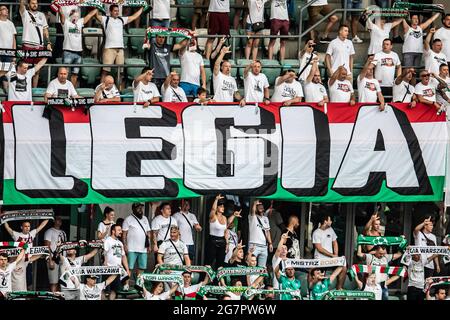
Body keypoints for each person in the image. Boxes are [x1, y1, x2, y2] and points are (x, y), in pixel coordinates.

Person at [95, 5, 143, 86]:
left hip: (120, 49)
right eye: (115, 11)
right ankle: (101, 90)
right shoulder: (105, 19)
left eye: (118, 11)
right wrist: (96, 5)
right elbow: (96, 16)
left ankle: (119, 91)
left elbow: (133, 17)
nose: (117, 12)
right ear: (110, 11)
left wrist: (142, 9)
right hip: (109, 49)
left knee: (120, 72)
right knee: (105, 71)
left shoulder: (121, 19)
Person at [59, 7, 98, 86]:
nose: (76, 18)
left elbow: (90, 15)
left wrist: (97, 6)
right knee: (64, 73)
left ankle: (72, 90)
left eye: (77, 16)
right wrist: (60, 8)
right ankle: (63, 89)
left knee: (75, 74)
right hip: (68, 51)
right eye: (74, 16)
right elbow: (62, 16)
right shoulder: (66, 23)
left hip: (78, 52)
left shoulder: (80, 22)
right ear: (70, 16)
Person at [19, 0, 51, 88]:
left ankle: (34, 90)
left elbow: (45, 30)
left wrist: (48, 42)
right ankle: (25, 88)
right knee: (25, 68)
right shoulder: (25, 13)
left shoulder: (42, 15)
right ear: (28, 4)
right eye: (32, 3)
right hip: (27, 45)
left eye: (36, 3)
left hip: (39, 45)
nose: (35, 5)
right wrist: (22, 2)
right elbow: (21, 4)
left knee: (37, 70)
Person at [311, 213, 347, 290]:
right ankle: (312, 291)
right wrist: (332, 255)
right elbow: (319, 248)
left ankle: (339, 288)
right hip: (320, 260)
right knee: (315, 272)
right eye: (330, 220)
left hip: (331, 260)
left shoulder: (331, 230)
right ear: (325, 221)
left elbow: (335, 242)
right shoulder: (316, 232)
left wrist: (336, 255)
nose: (331, 222)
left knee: (343, 267)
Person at [122, 203, 151, 280]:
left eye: (141, 207)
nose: (140, 209)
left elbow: (148, 232)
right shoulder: (128, 219)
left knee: (142, 267)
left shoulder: (145, 219)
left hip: (143, 248)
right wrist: (125, 245)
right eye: (138, 208)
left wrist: (149, 245)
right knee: (129, 267)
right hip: (131, 248)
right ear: (133, 209)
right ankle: (126, 285)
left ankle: (139, 285)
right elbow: (124, 234)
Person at [103, 224, 131, 300]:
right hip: (109, 270)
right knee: (106, 291)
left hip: (118, 270)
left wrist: (127, 269)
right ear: (113, 231)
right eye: (119, 230)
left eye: (121, 230)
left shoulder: (120, 243)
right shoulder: (108, 240)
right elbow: (104, 253)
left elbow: (124, 256)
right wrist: (105, 265)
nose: (121, 232)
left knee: (114, 290)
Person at [44, 216, 67, 293]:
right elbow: (47, 246)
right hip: (53, 259)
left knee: (63, 281)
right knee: (54, 282)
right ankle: (53, 297)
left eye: (61, 220)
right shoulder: (49, 231)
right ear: (54, 221)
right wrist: (50, 259)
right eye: (58, 219)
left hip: (62, 259)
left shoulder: (63, 232)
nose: (59, 221)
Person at [205, 195, 228, 270]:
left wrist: (227, 243)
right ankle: (205, 280)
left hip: (222, 240)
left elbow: (225, 231)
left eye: (223, 206)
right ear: (217, 207)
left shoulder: (224, 218)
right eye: (220, 206)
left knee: (220, 264)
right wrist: (216, 200)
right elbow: (213, 209)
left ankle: (219, 281)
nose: (223, 207)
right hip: (212, 240)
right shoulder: (213, 216)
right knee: (209, 263)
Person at [248, 200, 273, 267]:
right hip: (254, 245)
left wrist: (270, 243)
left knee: (262, 268)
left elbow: (267, 232)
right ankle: (250, 278)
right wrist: (255, 203)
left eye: (262, 205)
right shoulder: (252, 216)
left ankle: (259, 278)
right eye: (258, 205)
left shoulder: (266, 219)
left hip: (264, 246)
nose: (261, 207)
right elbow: (252, 211)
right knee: (251, 265)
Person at [0, 5, 16, 91]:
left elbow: (14, 39)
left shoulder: (11, 23)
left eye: (7, 9)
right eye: (4, 9)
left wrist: (14, 53)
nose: (6, 10)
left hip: (9, 53)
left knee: (9, 74)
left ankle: (7, 93)